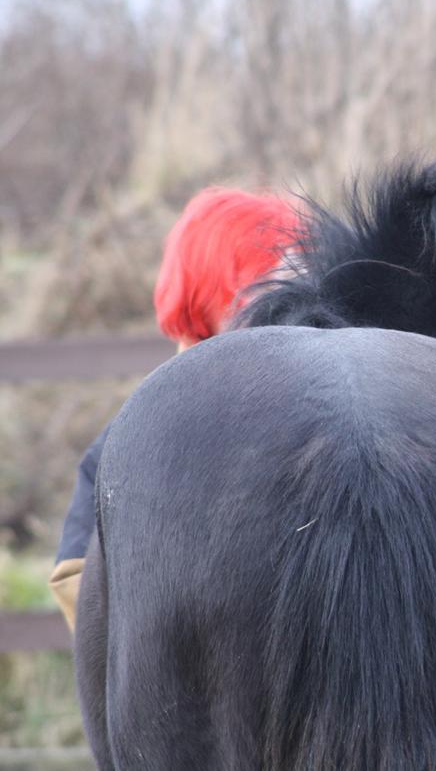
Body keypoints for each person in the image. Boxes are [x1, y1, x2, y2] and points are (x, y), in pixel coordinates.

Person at [48, 187, 301, 631]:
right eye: (266, 287)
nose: (288, 308)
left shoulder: (310, 399)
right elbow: (75, 580)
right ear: (209, 295)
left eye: (294, 285)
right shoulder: (134, 437)